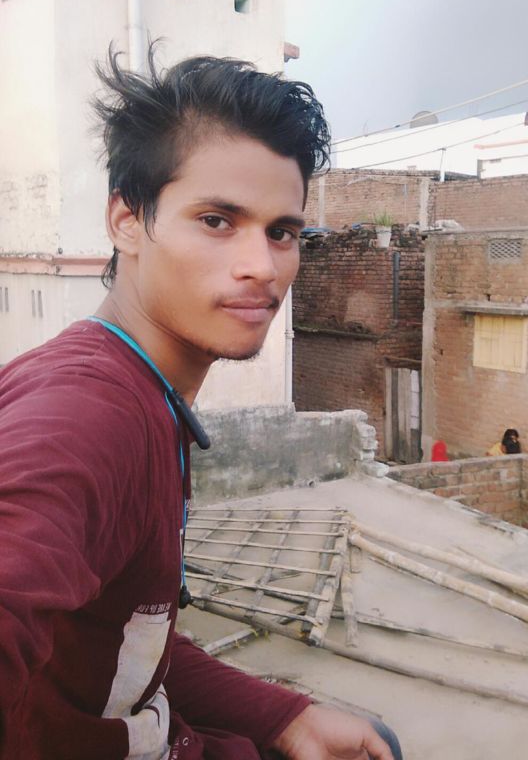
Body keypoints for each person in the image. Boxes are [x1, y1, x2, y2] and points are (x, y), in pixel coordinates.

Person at [0, 50, 401, 760]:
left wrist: (283, 717)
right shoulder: (89, 413)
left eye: (282, 232)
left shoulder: (151, 394)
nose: (262, 267)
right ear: (128, 221)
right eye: (217, 220)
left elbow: (127, 632)